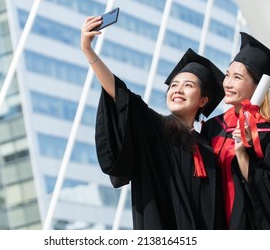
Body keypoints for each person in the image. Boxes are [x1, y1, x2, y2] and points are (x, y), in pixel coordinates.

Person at [81, 15, 226, 229]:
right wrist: (88, 51)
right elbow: (121, 96)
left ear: (203, 100)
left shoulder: (208, 147)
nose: (177, 89)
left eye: (188, 85)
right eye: (174, 85)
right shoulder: (155, 126)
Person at [201, 32, 270, 229]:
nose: (227, 83)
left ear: (258, 88)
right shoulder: (213, 127)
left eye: (237, 77)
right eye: (227, 75)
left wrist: (243, 156)